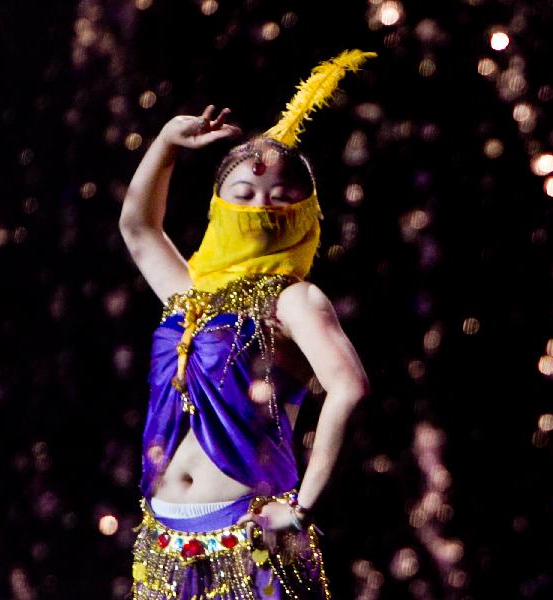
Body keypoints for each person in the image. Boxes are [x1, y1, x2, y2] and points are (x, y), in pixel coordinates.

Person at [119, 50, 375, 599]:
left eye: (282, 200)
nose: (261, 208)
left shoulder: (295, 300)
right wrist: (165, 142)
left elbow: (349, 387)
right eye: (245, 196)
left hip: (247, 536)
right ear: (220, 207)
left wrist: (302, 509)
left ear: (305, 215)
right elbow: (139, 228)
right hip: (163, 541)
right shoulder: (191, 297)